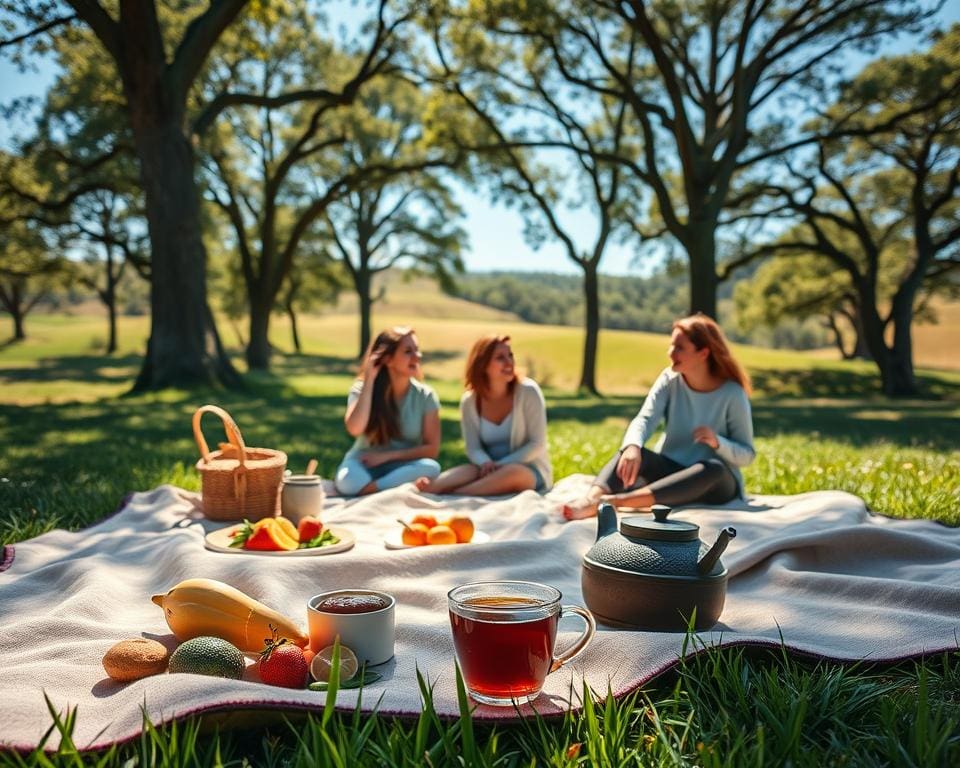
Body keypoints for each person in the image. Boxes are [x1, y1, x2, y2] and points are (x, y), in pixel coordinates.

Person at [563, 314, 755, 520]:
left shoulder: (732, 393)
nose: (670, 353)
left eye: (679, 348)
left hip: (716, 484)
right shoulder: (669, 380)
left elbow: (747, 454)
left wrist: (718, 443)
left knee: (713, 468)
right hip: (671, 474)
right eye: (671, 346)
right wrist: (632, 446)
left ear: (703, 353)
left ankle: (615, 502)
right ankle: (591, 499)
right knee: (634, 452)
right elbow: (645, 418)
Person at [415, 334, 552, 495]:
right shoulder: (469, 402)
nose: (509, 362)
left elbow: (537, 444)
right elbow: (473, 448)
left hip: (527, 469)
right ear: (483, 365)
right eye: (500, 358)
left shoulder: (528, 391)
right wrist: (486, 462)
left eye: (510, 355)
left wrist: (500, 465)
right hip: (486, 468)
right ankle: (428, 490)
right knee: (467, 471)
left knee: (513, 473)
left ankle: (457, 495)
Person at [334, 326, 441, 496]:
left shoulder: (425, 396)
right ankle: (388, 488)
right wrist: (369, 380)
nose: (417, 356)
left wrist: (388, 456)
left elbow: (432, 449)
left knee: (431, 468)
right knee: (347, 480)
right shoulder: (361, 390)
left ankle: (370, 490)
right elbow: (355, 429)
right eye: (408, 351)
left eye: (417, 350)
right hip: (363, 462)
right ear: (388, 359)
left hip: (403, 465)